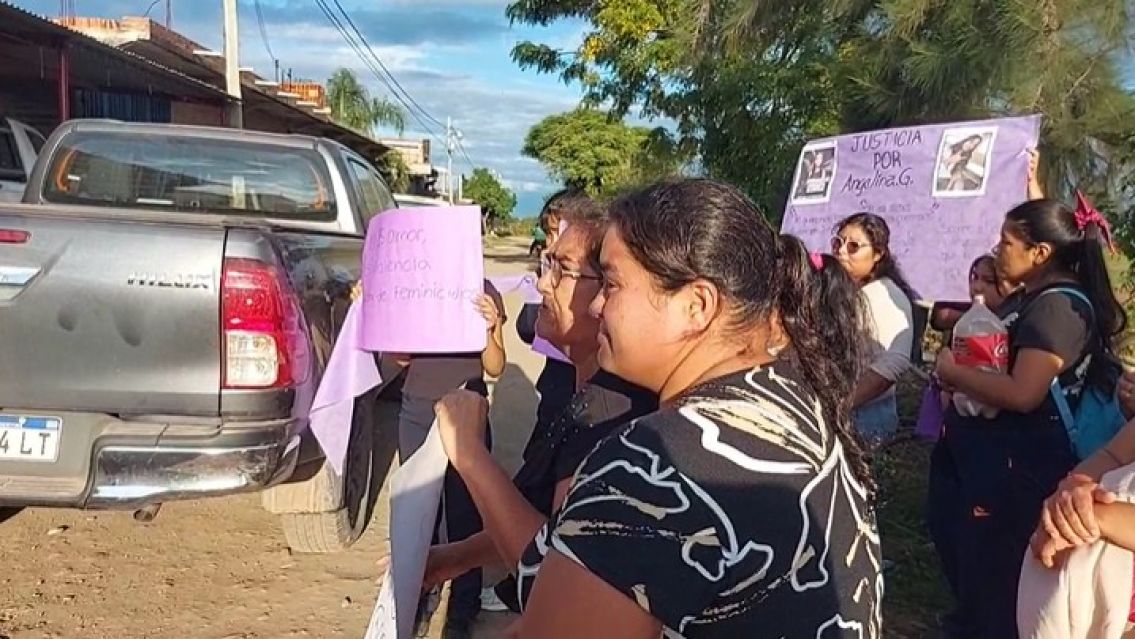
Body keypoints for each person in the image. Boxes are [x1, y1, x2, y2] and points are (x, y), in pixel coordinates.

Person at [509, 179, 882, 637]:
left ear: (696, 305)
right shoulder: (793, 397)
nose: (597, 306)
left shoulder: (655, 465)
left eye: (611, 282)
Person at [424, 203, 657, 613]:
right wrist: (454, 557)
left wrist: (470, 454)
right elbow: (545, 521)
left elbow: (553, 573)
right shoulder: (589, 390)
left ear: (610, 292)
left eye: (562, 270)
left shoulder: (614, 415)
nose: (542, 284)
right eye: (546, 263)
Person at [928, 197, 1127, 638]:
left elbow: (1023, 392)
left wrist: (952, 371)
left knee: (997, 594)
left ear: (1041, 253)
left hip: (1017, 478)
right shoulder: (1035, 299)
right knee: (980, 581)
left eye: (1006, 242)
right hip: (998, 470)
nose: (997, 251)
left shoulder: (1056, 308)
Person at [392, 281, 507, 639]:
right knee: (419, 509)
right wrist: (384, 310)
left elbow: (496, 366)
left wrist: (491, 327)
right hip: (416, 408)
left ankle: (462, 609)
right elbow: (399, 358)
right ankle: (418, 596)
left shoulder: (482, 288)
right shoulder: (412, 285)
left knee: (465, 511)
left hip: (465, 409)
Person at [514, 189, 596, 460]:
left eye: (556, 232)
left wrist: (468, 452)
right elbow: (528, 327)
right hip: (554, 398)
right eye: (547, 235)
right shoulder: (547, 276)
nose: (548, 246)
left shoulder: (602, 405)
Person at [832, 212, 915, 446]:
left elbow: (893, 364)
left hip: (866, 421)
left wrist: (841, 405)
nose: (841, 251)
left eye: (853, 246)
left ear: (878, 254)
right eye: (838, 242)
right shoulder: (841, 292)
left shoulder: (886, 296)